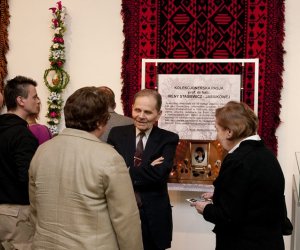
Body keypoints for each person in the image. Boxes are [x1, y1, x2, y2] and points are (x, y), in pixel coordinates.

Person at [29, 86, 143, 250]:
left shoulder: (42, 151)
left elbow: (35, 209)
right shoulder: (109, 158)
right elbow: (126, 220)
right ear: (99, 122)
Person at [191, 101, 286, 250]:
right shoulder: (266, 154)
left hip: (243, 243)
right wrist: (220, 195)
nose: (217, 136)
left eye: (218, 130)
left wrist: (205, 208)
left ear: (229, 132)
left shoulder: (237, 160)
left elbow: (228, 216)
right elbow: (255, 198)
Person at [107, 89, 179, 250]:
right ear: (132, 107)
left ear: (158, 115)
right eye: (137, 110)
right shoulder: (116, 134)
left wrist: (125, 171)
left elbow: (160, 175)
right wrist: (148, 168)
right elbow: (110, 172)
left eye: (148, 112)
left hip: (153, 219)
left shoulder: (168, 139)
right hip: (121, 214)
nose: (141, 116)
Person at [0, 76, 40, 250]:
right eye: (34, 97)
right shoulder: (22, 135)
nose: (38, 101)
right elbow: (27, 177)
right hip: (16, 213)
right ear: (20, 100)